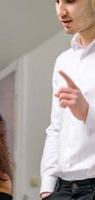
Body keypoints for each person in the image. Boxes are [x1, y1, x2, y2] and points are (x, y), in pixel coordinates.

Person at [40, 0, 95, 199]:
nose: (60, 11)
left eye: (70, 1)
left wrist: (87, 112)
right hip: (61, 190)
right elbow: (56, 128)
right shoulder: (64, 60)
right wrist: (47, 187)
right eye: (57, 1)